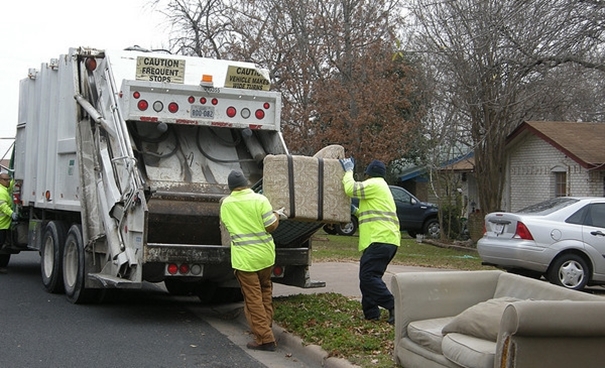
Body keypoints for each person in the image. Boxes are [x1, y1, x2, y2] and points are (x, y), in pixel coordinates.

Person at [220, 170, 283, 351]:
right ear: (247, 184)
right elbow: (270, 225)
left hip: (244, 261)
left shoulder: (226, 204)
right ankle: (265, 331)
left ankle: (265, 339)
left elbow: (228, 226)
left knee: (253, 300)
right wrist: (277, 214)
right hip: (265, 257)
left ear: (231, 188)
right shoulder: (260, 200)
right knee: (265, 294)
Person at [340, 158, 400, 324]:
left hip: (380, 239)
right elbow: (370, 213)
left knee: (368, 277)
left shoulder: (375, 184)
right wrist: (355, 211)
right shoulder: (381, 188)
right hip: (386, 240)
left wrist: (348, 171)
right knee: (371, 277)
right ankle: (371, 314)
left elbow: (350, 189)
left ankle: (394, 305)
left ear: (368, 175)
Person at [0, 171, 16, 274]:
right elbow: (2, 206)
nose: (8, 182)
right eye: (6, 180)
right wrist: (12, 214)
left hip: (3, 225)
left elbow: (11, 186)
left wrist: (16, 178)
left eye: (9, 179)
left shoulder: (5, 189)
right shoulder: (1, 192)